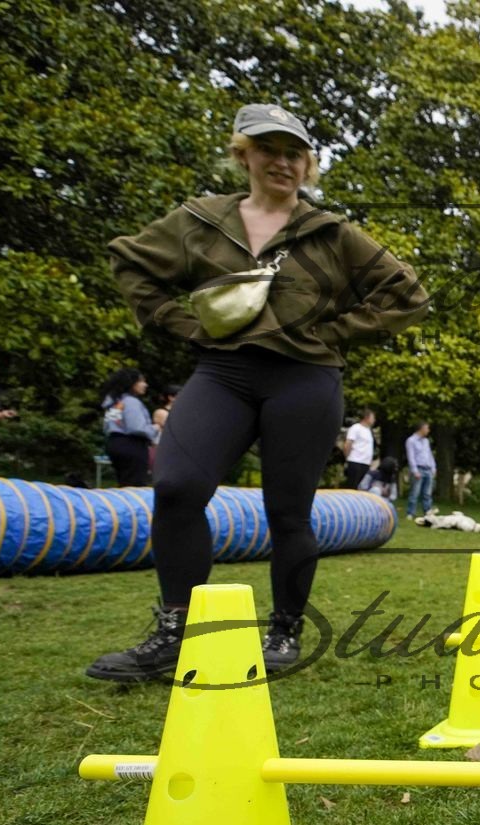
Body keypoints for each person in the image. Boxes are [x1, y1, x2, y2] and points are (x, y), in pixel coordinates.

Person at [88, 103, 428, 681]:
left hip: (305, 378)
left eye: (294, 153)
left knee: (288, 513)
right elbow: (130, 262)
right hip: (223, 372)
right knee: (175, 487)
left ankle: (284, 633)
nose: (282, 162)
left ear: (308, 165)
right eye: (268, 149)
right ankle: (176, 633)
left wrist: (334, 332)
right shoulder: (200, 220)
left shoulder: (332, 232)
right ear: (242, 155)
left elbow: (407, 294)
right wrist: (182, 324)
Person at [100, 368, 157, 487]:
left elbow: (107, 425)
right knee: (135, 484)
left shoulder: (114, 402)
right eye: (141, 381)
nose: (145, 385)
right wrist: (155, 428)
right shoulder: (131, 402)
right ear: (131, 383)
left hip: (115, 442)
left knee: (124, 482)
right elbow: (137, 428)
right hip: (132, 445)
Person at [405, 421, 436, 519]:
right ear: (421, 429)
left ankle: (427, 512)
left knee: (427, 493)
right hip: (418, 468)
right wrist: (415, 470)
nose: (428, 430)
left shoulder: (426, 441)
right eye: (427, 428)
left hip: (428, 469)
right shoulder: (411, 440)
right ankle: (411, 513)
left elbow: (429, 455)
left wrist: (433, 467)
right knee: (415, 492)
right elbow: (411, 456)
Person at [343, 408, 376, 488]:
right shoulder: (356, 428)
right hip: (355, 461)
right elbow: (348, 443)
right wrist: (347, 457)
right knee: (352, 486)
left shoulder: (368, 430)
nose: (374, 420)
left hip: (365, 463)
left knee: (362, 487)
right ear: (367, 417)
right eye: (373, 418)